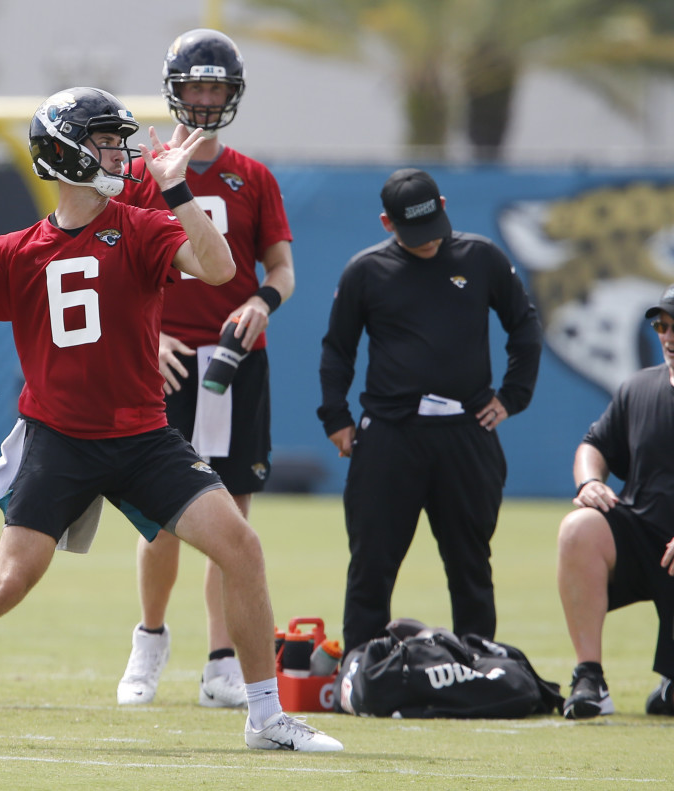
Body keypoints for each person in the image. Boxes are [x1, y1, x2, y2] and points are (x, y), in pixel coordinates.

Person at [0, 87, 342, 752]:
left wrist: (176, 191)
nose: (122, 152)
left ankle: (264, 714)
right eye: (106, 141)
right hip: (60, 438)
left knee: (240, 547)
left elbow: (221, 266)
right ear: (66, 153)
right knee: (8, 582)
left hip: (143, 434)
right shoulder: (16, 249)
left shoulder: (141, 224)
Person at [113, 28, 294, 709]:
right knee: (159, 519)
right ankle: (150, 639)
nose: (206, 98)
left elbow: (281, 268)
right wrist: (145, 337)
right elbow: (113, 264)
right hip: (163, 364)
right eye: (196, 85)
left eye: (217, 86)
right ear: (174, 89)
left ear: (233, 92)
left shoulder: (253, 176)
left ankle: (222, 659)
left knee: (232, 518)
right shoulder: (143, 172)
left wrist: (260, 302)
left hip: (236, 361)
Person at [317, 168, 542, 654]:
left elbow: (524, 328)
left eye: (432, 228)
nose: (426, 243)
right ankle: (361, 666)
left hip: (467, 430)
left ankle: (481, 666)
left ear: (442, 205)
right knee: (372, 562)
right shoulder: (366, 270)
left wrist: (512, 397)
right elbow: (338, 349)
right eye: (411, 233)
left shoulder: (480, 257)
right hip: (390, 434)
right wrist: (335, 417)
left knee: (470, 563)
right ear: (386, 223)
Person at [557, 285, 674, 719]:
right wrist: (589, 481)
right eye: (662, 325)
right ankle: (590, 677)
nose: (668, 336)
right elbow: (594, 445)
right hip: (644, 539)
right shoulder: (639, 388)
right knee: (579, 527)